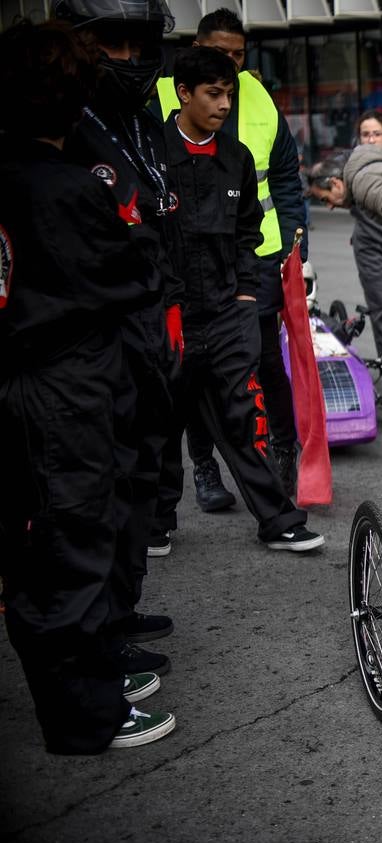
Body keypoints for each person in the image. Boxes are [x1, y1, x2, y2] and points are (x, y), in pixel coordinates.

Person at [0, 19, 175, 751]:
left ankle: (94, 677)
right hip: (65, 382)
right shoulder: (63, 188)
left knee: (64, 540)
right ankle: (84, 716)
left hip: (40, 377)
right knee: (70, 546)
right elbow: (132, 272)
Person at [158, 48, 323, 553]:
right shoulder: (153, 152)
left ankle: (278, 521)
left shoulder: (236, 158)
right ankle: (154, 524)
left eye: (229, 93)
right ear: (184, 93)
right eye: (213, 93)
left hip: (230, 309)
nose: (225, 104)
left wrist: (248, 296)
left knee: (241, 419)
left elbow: (250, 231)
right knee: (160, 426)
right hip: (170, 314)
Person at [57, 0, 180, 678]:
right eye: (113, 42)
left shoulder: (140, 120)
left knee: (140, 478)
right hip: (96, 340)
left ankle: (121, 608)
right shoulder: (64, 127)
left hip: (150, 325)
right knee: (98, 491)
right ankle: (96, 636)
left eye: (139, 43)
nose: (129, 57)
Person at [308, 110, 382, 361]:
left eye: (377, 134)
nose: (371, 139)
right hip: (370, 243)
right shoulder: (351, 163)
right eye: (365, 134)